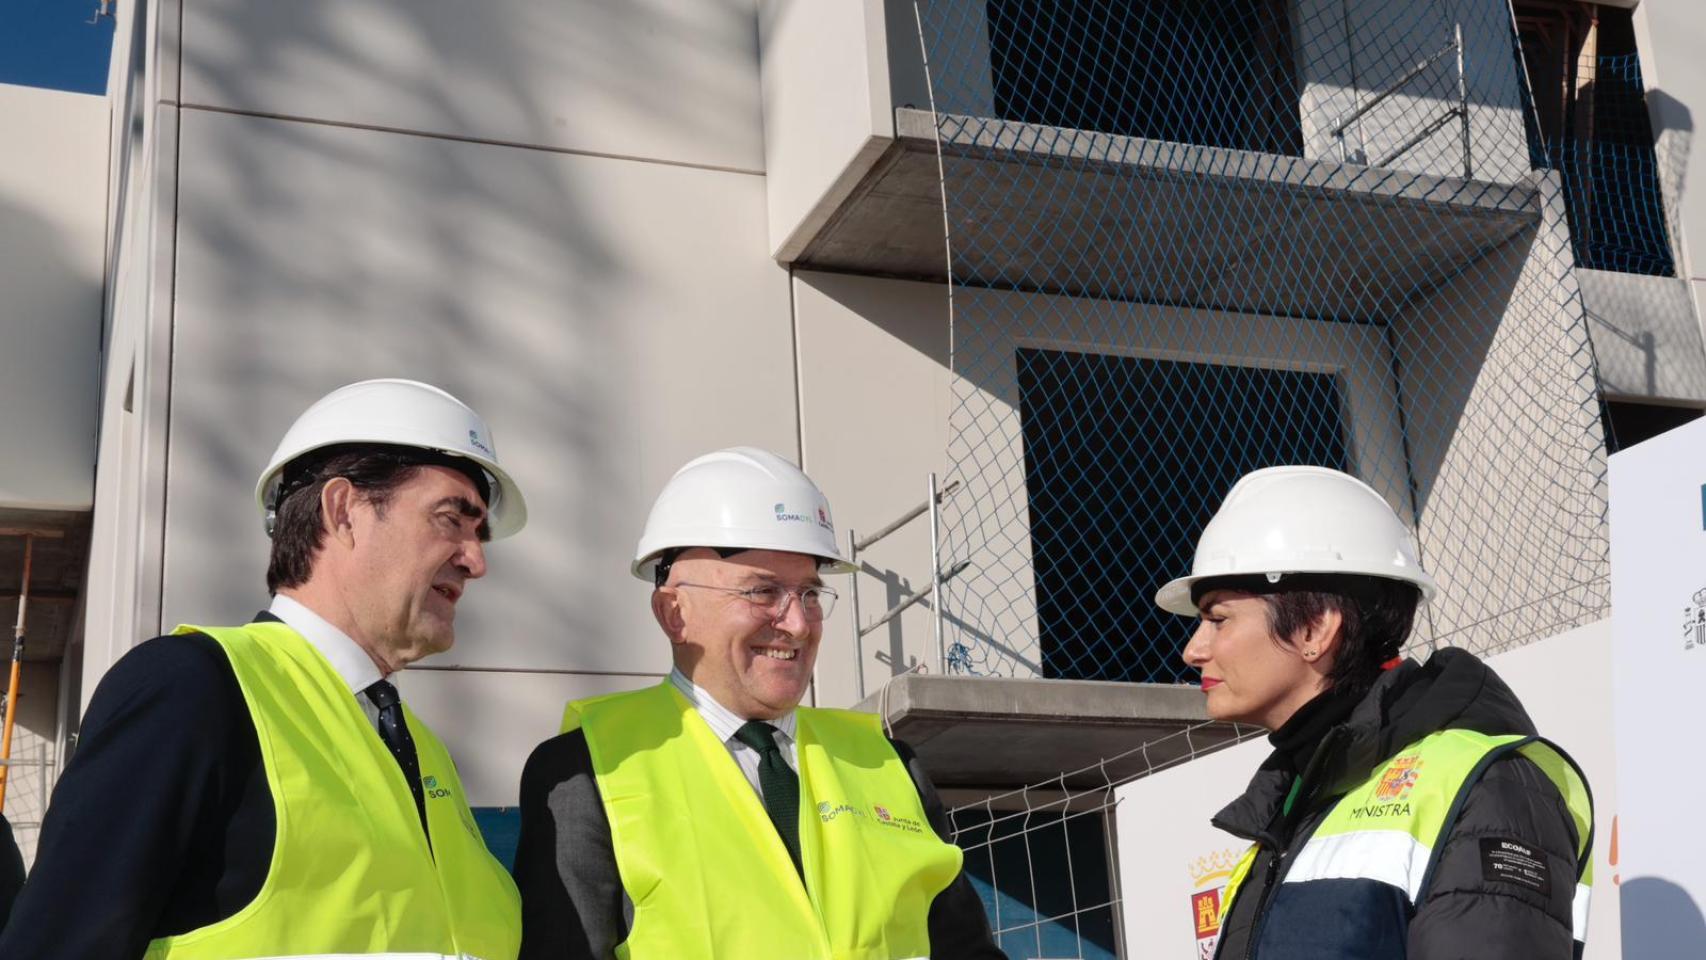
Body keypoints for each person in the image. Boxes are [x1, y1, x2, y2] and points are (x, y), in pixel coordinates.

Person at [0, 379, 528, 959]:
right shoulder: (193, 688)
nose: (476, 560)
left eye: (480, 534)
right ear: (344, 510)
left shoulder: (421, 752)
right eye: (452, 519)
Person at [513, 447, 1005, 960]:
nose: (797, 623)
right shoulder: (588, 770)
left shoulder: (889, 763)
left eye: (810, 595)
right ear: (673, 612)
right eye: (763, 592)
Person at [1155, 465, 1594, 959]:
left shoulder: (1488, 783)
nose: (1193, 650)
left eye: (1218, 619)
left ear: (1315, 630)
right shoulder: (1295, 802)